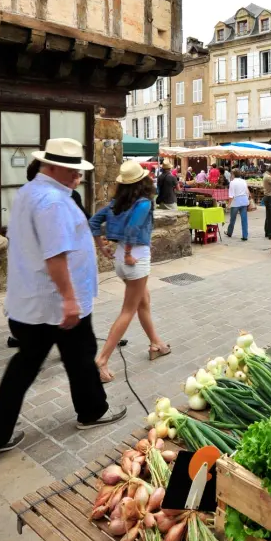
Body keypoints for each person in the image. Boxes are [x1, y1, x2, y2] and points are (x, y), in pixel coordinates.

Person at [0, 139, 126, 459]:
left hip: (37, 304)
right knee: (75, 356)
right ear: (52, 167)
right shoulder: (52, 201)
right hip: (54, 304)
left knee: (51, 362)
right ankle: (91, 411)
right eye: (72, 171)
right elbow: (54, 255)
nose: (77, 177)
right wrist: (69, 300)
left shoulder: (32, 191)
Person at [90, 161, 170, 382]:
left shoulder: (116, 203)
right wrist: (127, 252)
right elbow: (133, 228)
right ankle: (102, 360)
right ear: (143, 181)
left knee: (143, 300)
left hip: (121, 261)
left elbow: (94, 221)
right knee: (128, 310)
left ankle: (157, 343)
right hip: (135, 259)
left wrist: (102, 246)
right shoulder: (143, 203)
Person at [226, 169, 250, 240]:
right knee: (244, 219)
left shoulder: (232, 182)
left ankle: (229, 232)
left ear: (233, 174)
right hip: (244, 201)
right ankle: (245, 236)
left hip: (235, 202)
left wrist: (228, 204)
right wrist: (247, 199)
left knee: (232, 219)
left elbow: (231, 195)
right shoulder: (244, 181)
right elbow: (247, 192)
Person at [262, 164, 271, 239]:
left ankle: (267, 231)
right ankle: (270, 232)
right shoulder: (268, 177)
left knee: (268, 215)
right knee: (270, 216)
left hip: (267, 197)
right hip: (269, 197)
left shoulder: (266, 175)